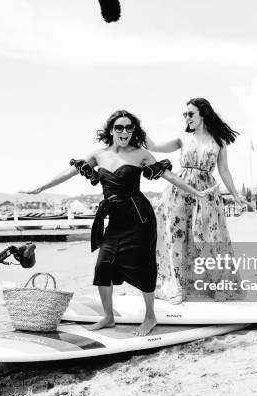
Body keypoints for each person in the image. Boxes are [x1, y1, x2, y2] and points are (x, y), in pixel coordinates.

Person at [23, 110, 214, 336]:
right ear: (111, 130)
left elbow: (169, 177)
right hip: (115, 219)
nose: (124, 132)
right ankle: (108, 317)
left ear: (134, 131)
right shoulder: (99, 155)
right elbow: (70, 172)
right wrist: (42, 187)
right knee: (103, 265)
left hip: (139, 218)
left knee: (143, 265)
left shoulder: (140, 154)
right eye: (119, 128)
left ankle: (150, 316)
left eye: (129, 128)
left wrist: (196, 192)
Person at [145, 97, 247, 304]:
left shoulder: (219, 140)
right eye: (185, 114)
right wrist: (137, 127)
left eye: (190, 114)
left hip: (207, 192)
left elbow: (224, 170)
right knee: (177, 238)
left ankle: (216, 286)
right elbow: (154, 146)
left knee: (209, 238)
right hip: (180, 190)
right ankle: (180, 287)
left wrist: (236, 195)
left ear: (203, 114)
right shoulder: (183, 138)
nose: (187, 118)